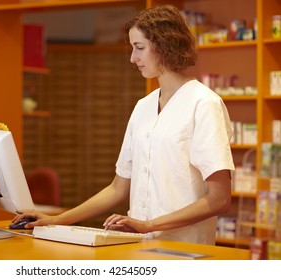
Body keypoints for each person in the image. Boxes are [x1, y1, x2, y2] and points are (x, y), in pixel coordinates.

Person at [13, 4, 235, 245]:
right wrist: (57, 220)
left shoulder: (204, 104)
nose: (133, 58)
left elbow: (219, 199)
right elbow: (117, 188)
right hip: (138, 246)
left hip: (184, 249)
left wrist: (148, 225)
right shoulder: (143, 107)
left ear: (164, 45)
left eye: (139, 48)